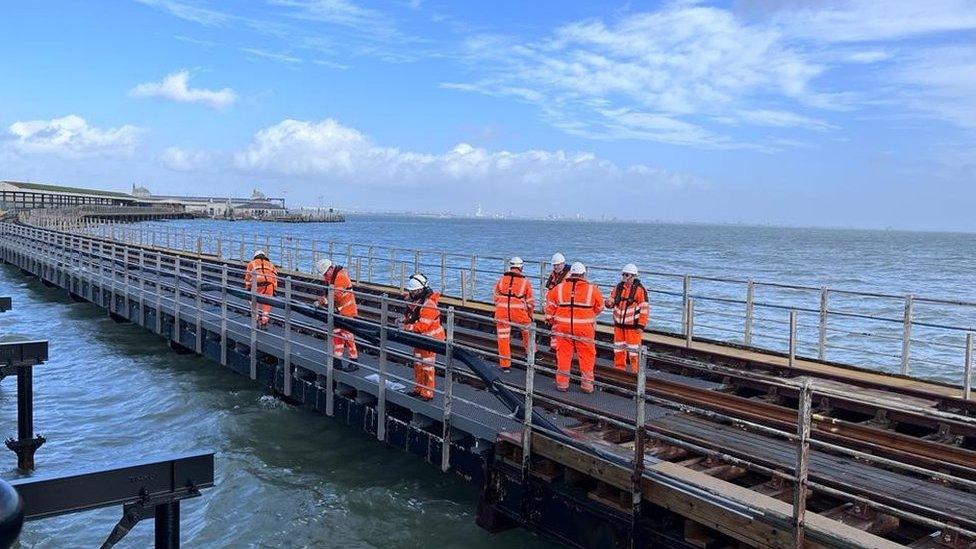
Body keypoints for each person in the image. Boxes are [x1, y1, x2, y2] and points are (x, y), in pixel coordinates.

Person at [545, 262, 603, 393]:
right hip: (584, 328)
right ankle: (587, 386)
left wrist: (551, 318)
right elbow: (600, 307)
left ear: (571, 273)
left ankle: (562, 384)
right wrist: (587, 314)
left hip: (563, 327)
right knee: (587, 356)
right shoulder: (592, 289)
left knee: (563, 355)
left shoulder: (559, 288)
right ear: (583, 274)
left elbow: (550, 304)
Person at [402, 275, 445, 401]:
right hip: (420, 339)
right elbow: (413, 316)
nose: (411, 293)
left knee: (427, 367)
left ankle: (428, 393)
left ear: (420, 290)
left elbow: (422, 326)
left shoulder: (428, 304)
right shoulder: (418, 302)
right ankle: (419, 389)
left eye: (413, 291)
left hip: (430, 341)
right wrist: (404, 320)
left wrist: (406, 327)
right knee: (418, 365)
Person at [315, 258, 359, 370]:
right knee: (336, 334)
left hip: (347, 310)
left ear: (330, 269)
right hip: (338, 311)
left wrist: (323, 301)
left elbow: (336, 295)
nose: (324, 277)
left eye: (325, 274)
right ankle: (337, 360)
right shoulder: (332, 277)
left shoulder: (341, 276)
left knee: (347, 335)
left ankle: (354, 360)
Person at [492, 257, 535, 371]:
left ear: (510, 266)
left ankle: (505, 365)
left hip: (502, 312)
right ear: (521, 267)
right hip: (518, 313)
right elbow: (530, 303)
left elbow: (495, 298)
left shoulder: (501, 280)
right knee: (528, 331)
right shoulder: (525, 282)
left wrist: (502, 307)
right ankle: (530, 355)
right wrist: (530, 315)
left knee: (503, 338)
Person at [605, 263, 649, 373]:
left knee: (634, 353)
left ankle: (636, 373)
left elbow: (644, 309)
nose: (624, 277)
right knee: (618, 351)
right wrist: (608, 303)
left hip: (632, 328)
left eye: (626, 275)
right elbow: (611, 302)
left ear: (634, 276)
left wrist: (641, 325)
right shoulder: (618, 288)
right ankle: (619, 372)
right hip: (619, 326)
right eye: (623, 274)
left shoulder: (640, 290)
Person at [244, 250, 278, 328]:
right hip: (269, 285)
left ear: (255, 256)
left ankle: (256, 318)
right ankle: (264, 322)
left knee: (253, 300)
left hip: (257, 284)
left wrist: (248, 288)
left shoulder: (252, 263)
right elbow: (275, 278)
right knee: (267, 304)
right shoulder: (271, 264)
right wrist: (274, 290)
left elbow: (248, 277)